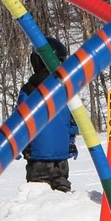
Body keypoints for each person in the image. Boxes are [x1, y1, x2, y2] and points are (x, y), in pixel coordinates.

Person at [21, 41, 79, 192]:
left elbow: (21, 122)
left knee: (38, 192)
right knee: (61, 188)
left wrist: (17, 145)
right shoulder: (67, 90)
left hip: (37, 154)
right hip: (62, 155)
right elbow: (73, 121)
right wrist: (70, 142)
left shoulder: (29, 91)